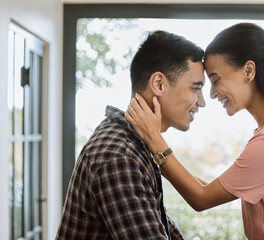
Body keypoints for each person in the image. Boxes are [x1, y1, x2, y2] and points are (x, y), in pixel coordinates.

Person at [125, 23, 264, 240]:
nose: (211, 95)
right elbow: (207, 188)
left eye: (215, 80)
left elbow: (201, 198)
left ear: (248, 71)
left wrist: (154, 139)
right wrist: (153, 147)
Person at [56, 30, 206, 239]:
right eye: (195, 88)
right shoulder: (120, 156)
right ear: (159, 84)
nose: (201, 102)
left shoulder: (135, 146)